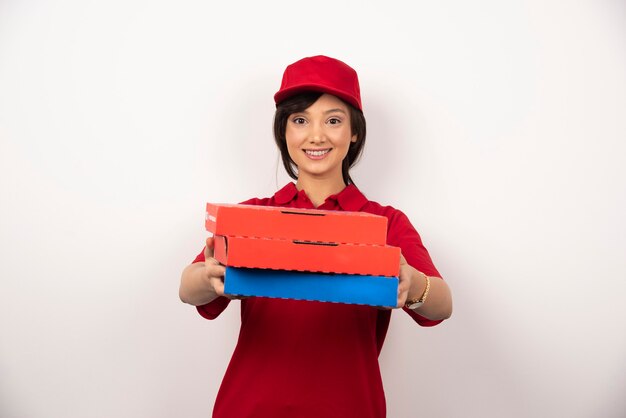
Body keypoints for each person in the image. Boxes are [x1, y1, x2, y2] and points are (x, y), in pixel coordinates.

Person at [179, 55, 453, 418]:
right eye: (300, 120)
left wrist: (412, 284)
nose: (317, 135)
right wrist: (210, 278)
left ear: (354, 131)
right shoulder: (250, 216)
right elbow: (188, 287)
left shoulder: (385, 222)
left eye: (334, 120)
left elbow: (443, 304)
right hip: (248, 407)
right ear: (284, 132)